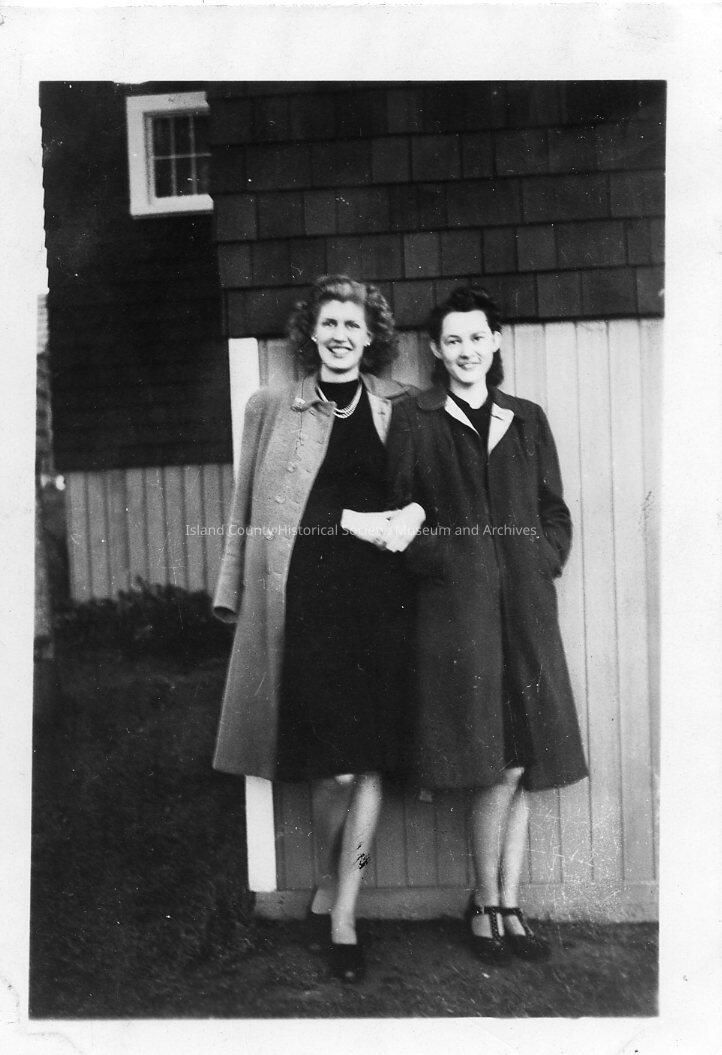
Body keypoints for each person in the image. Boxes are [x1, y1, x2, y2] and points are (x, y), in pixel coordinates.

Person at [212, 274, 416, 983]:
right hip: (308, 606)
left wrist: (413, 516)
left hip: (382, 607)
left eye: (352, 325)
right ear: (311, 333)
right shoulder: (273, 405)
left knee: (370, 764)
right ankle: (333, 874)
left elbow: (424, 492)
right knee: (334, 770)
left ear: (371, 336)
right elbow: (249, 507)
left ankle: (344, 912)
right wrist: (231, 588)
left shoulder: (399, 406)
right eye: (329, 323)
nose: (340, 336)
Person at [383, 284, 588, 964]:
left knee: (523, 761)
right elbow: (398, 517)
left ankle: (506, 904)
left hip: (525, 610)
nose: (467, 350)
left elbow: (554, 511)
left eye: (477, 337)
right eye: (454, 340)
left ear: (495, 342)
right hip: (459, 614)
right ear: (437, 350)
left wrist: (539, 559)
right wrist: (449, 562)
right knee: (492, 762)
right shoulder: (416, 418)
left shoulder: (525, 418)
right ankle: (486, 902)